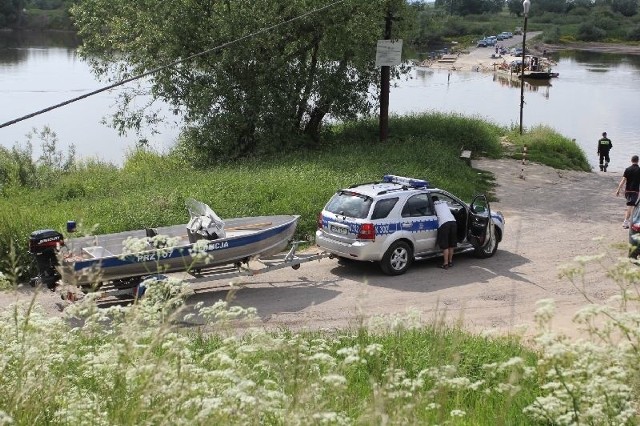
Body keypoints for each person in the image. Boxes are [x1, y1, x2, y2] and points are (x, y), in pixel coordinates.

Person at [432, 195, 457, 269]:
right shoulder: (444, 203)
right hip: (453, 222)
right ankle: (450, 262)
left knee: (445, 245)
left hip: (444, 224)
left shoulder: (433, 205)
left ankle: (445, 264)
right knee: (451, 245)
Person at [616, 155, 640, 229]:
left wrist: (618, 190)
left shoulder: (627, 169)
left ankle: (628, 222)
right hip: (635, 191)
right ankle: (626, 222)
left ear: (631, 160)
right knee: (631, 207)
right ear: (638, 161)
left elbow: (623, 181)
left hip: (627, 191)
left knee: (631, 206)